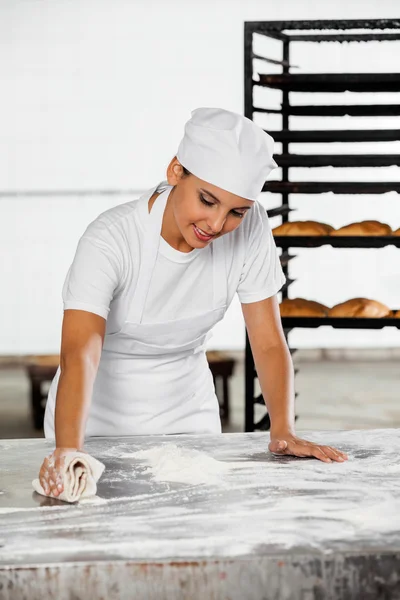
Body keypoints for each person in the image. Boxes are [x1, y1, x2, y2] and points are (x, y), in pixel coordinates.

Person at [38, 107, 348, 497]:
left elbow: (267, 341)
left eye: (236, 211)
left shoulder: (250, 229)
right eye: (207, 200)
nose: (217, 225)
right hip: (94, 423)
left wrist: (283, 429)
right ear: (175, 171)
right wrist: (69, 449)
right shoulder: (111, 239)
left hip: (189, 419)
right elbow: (80, 352)